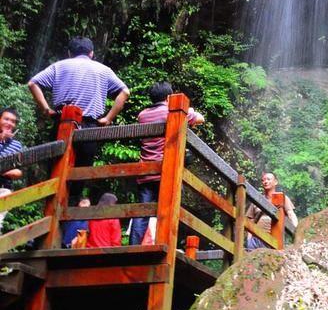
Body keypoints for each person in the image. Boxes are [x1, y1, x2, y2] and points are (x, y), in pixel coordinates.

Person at [27, 37, 130, 171]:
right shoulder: (104, 70)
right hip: (89, 126)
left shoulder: (59, 66)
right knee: (81, 172)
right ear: (91, 53)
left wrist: (46, 110)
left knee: (56, 170)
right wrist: (108, 118)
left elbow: (32, 83)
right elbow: (125, 92)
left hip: (61, 122)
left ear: (70, 53)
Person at [129, 82, 203, 246]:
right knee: (168, 209)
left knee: (142, 212)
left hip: (145, 172)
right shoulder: (171, 112)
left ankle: (133, 247)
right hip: (165, 172)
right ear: (169, 97)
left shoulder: (142, 115)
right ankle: (166, 244)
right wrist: (189, 110)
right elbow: (200, 119)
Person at [245, 172, 297, 251]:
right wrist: (249, 240)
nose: (265, 182)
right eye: (263, 180)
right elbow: (250, 221)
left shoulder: (283, 198)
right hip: (255, 239)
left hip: (273, 238)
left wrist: (296, 231)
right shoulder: (257, 199)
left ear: (275, 182)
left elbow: (291, 214)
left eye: (268, 179)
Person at [0, 108, 23, 232]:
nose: (10, 123)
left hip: (4, 187)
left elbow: (18, 171)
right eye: (6, 119)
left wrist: (3, 171)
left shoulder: (16, 145)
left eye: (13, 121)